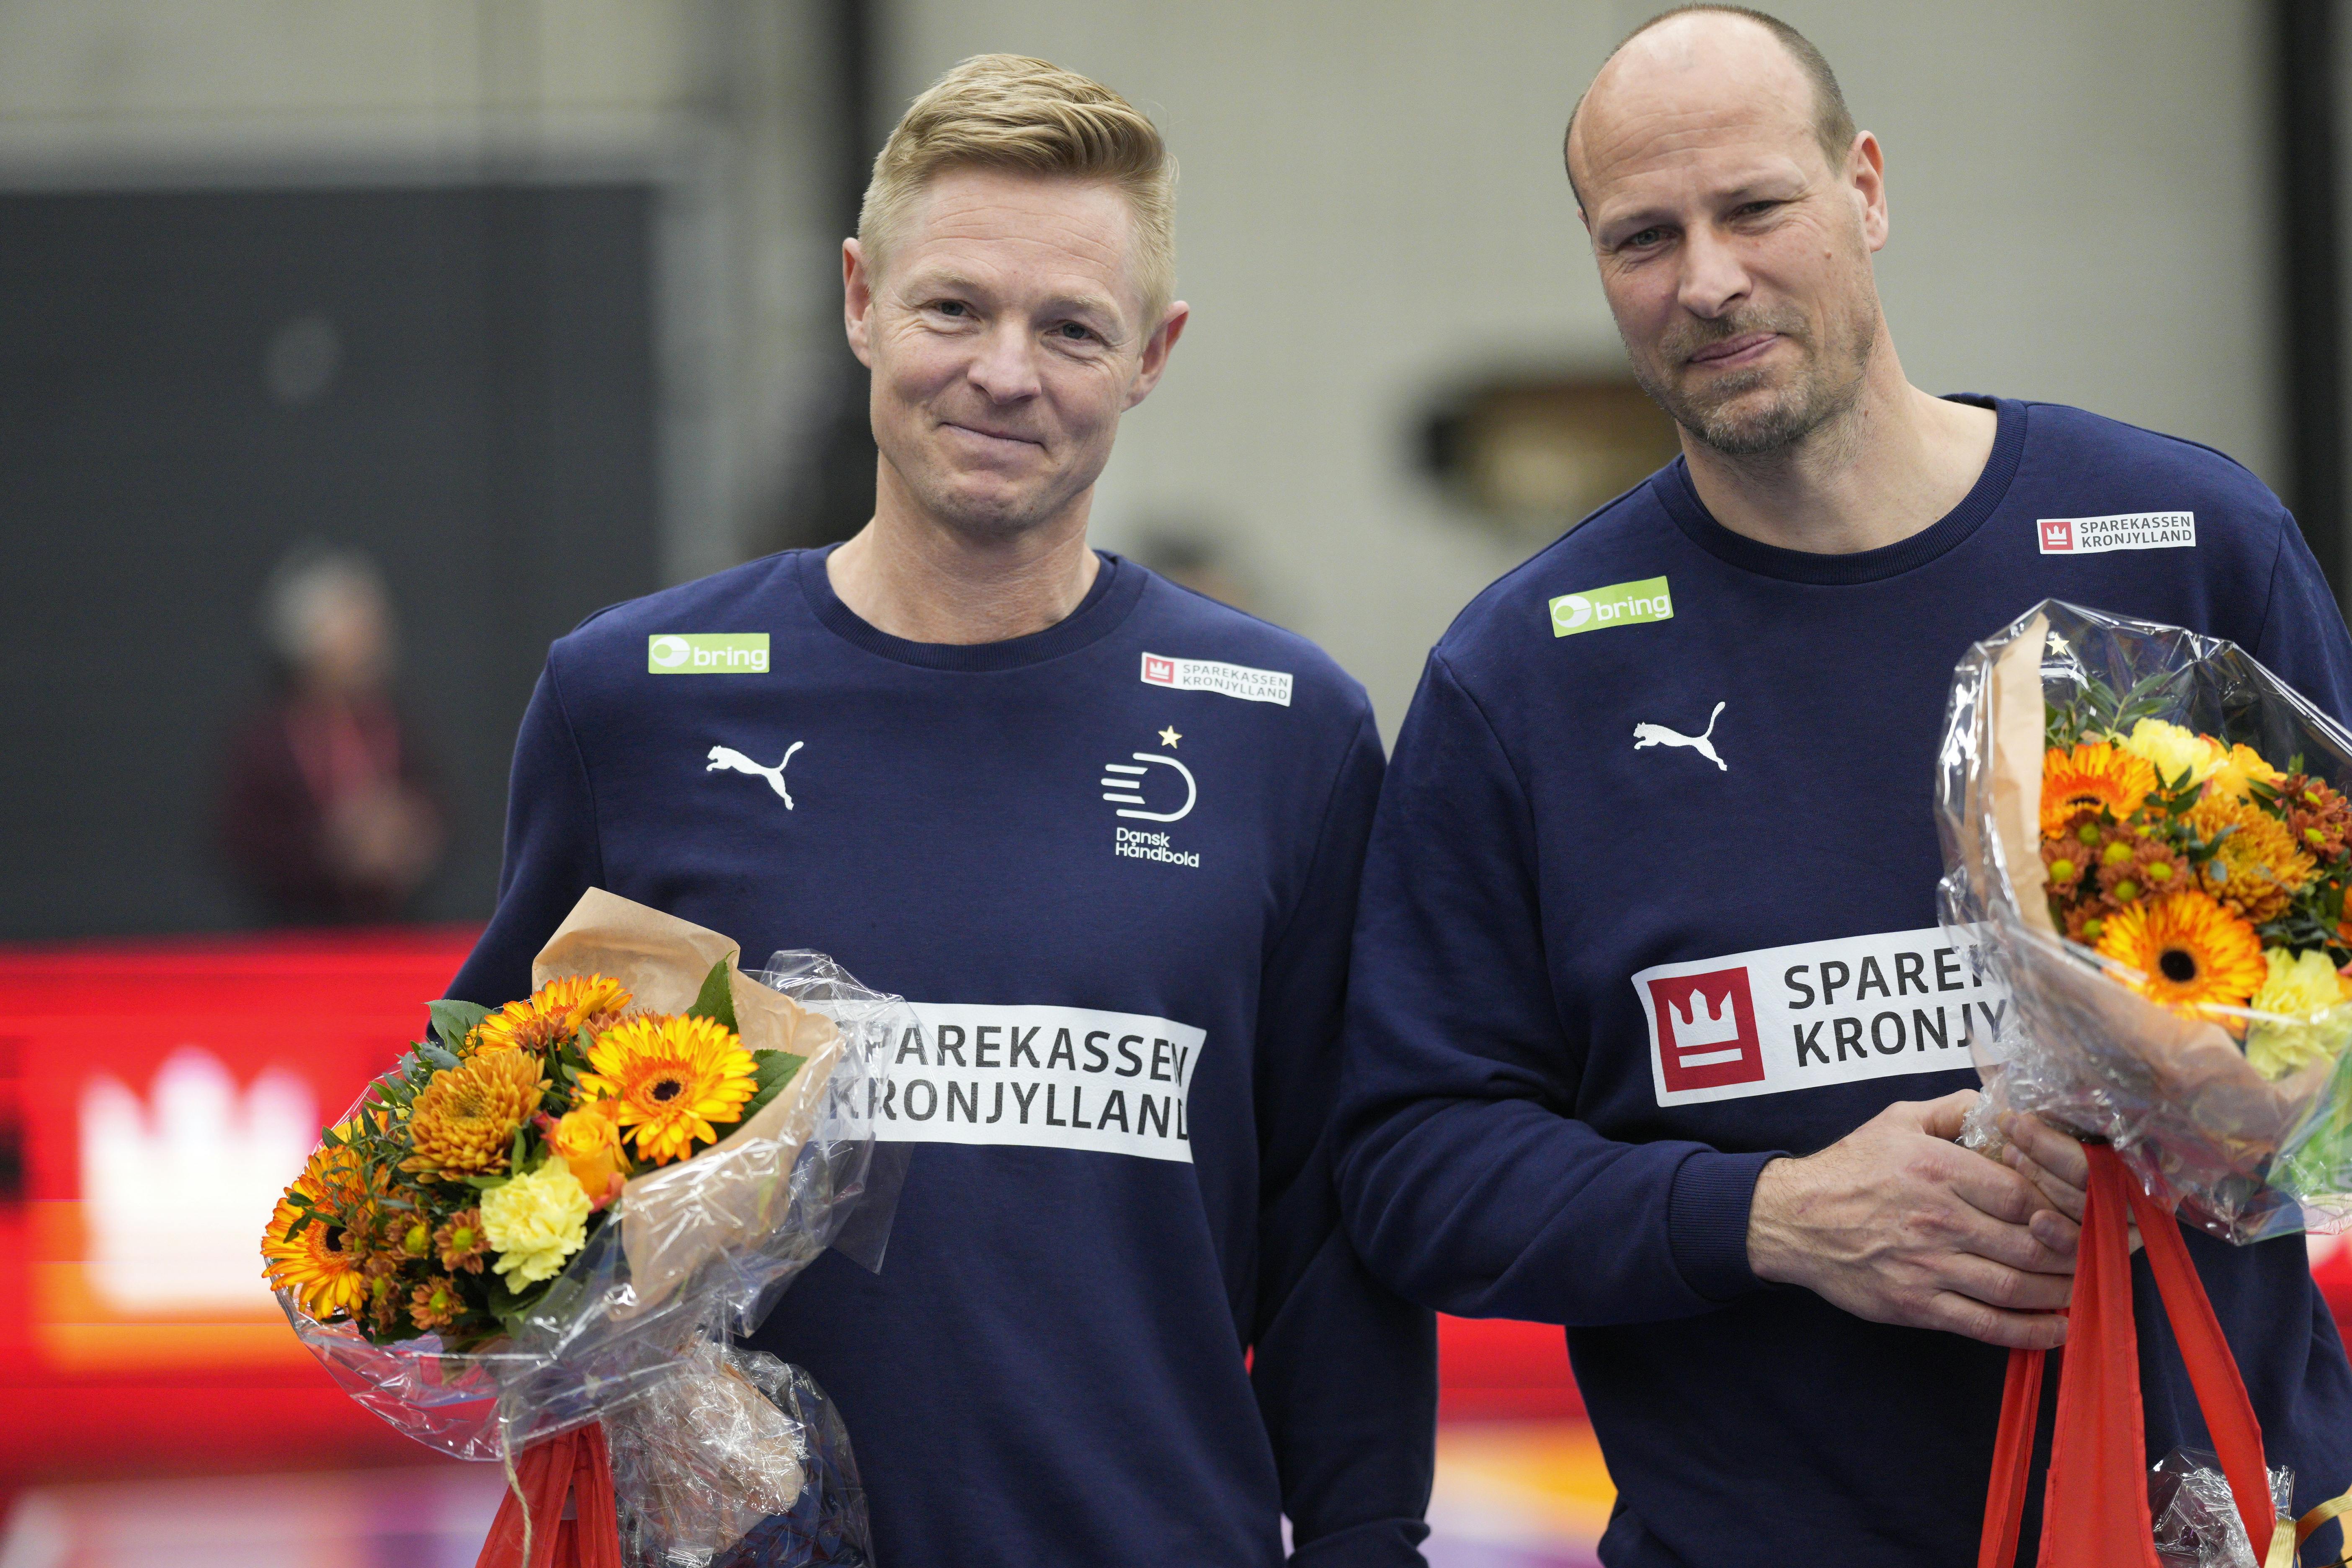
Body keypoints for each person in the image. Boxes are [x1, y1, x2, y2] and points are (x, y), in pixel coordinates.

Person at [1333, 8, 2352, 1565]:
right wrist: (1774, 1218)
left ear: (1864, 189)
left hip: (2219, 1522)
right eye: (1643, 237)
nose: (1707, 280)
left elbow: (2336, 1035)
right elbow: (1413, 1166)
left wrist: (2212, 1116)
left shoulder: (2184, 544)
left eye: (1754, 207)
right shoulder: (1526, 672)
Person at [449, 54, 1434, 1567]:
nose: (1004, 372)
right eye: (953, 308)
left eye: (1072, 327)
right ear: (859, 300)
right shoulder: (632, 703)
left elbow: (1333, 1242)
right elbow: (470, 1184)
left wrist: (1367, 1544)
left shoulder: (1285, 733)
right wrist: (583, 1340)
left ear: (1153, 352)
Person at [218, 543, 444, 923]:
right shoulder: (268, 741)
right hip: (294, 937)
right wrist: (331, 850)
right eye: (352, 631)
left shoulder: (393, 726)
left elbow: (439, 811)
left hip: (390, 931)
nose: (369, 645)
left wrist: (408, 835)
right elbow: (243, 842)